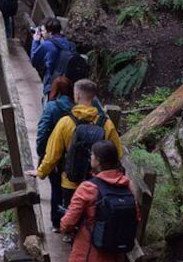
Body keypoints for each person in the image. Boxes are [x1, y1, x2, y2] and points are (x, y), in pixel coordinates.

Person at [25, 79, 123, 228]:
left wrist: (40, 172)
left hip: (70, 181)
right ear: (93, 97)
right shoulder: (106, 124)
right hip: (96, 183)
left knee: (71, 214)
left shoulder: (65, 122)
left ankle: (67, 232)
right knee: (92, 217)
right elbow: (117, 153)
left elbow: (52, 155)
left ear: (76, 95)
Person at [36, 76, 75, 231]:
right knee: (71, 188)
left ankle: (57, 222)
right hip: (73, 156)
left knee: (56, 188)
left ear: (55, 90)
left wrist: (42, 152)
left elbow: (42, 131)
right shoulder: (77, 107)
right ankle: (71, 222)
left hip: (55, 154)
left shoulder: (52, 107)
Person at [29, 17, 77, 100]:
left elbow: (34, 60)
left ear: (50, 32)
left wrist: (36, 41)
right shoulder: (69, 44)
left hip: (52, 83)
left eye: (43, 31)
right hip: (69, 83)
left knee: (49, 105)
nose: (41, 33)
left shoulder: (47, 45)